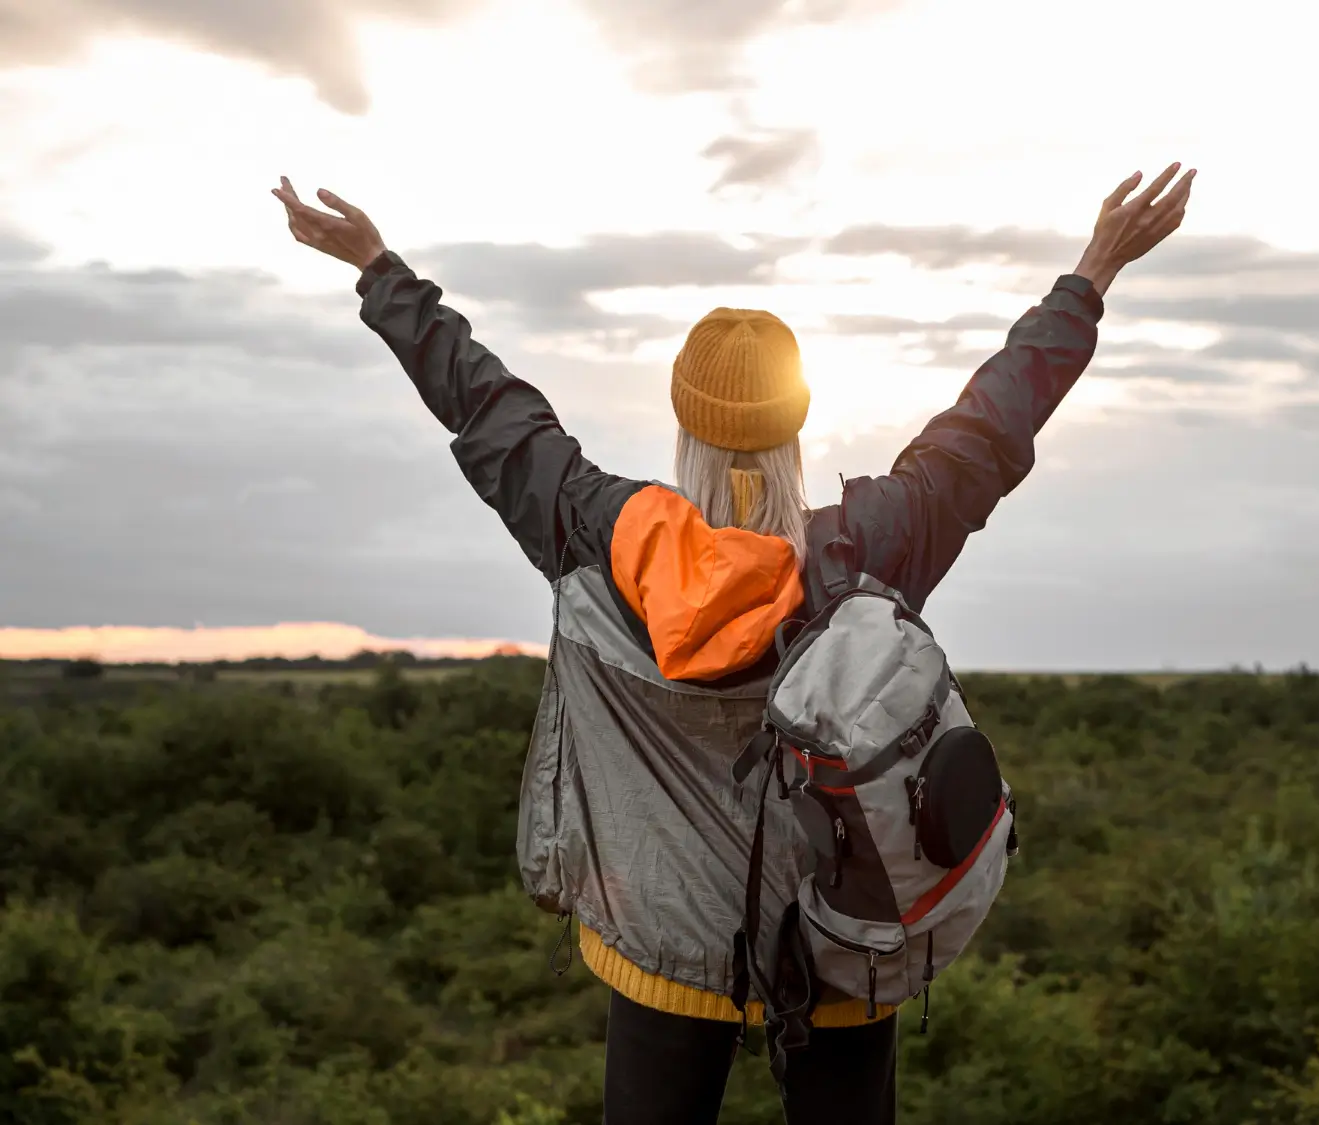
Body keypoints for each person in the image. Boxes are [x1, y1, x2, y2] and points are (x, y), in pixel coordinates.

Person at [272, 162, 1194, 1124]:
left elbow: (489, 407)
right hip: (838, 944)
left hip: (661, 951)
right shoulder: (868, 549)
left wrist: (379, 268)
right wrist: (1090, 276)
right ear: (796, 424)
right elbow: (987, 430)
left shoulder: (595, 531)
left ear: (685, 423)